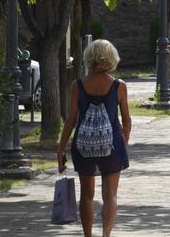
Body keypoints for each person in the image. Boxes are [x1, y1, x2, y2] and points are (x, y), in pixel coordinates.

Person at [57, 40, 131, 237]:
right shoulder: (119, 86)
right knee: (110, 195)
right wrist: (124, 142)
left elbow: (71, 120)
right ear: (111, 58)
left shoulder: (78, 86)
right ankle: (106, 235)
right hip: (112, 145)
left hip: (84, 145)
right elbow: (126, 119)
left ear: (89, 59)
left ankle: (88, 235)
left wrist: (60, 149)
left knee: (86, 196)